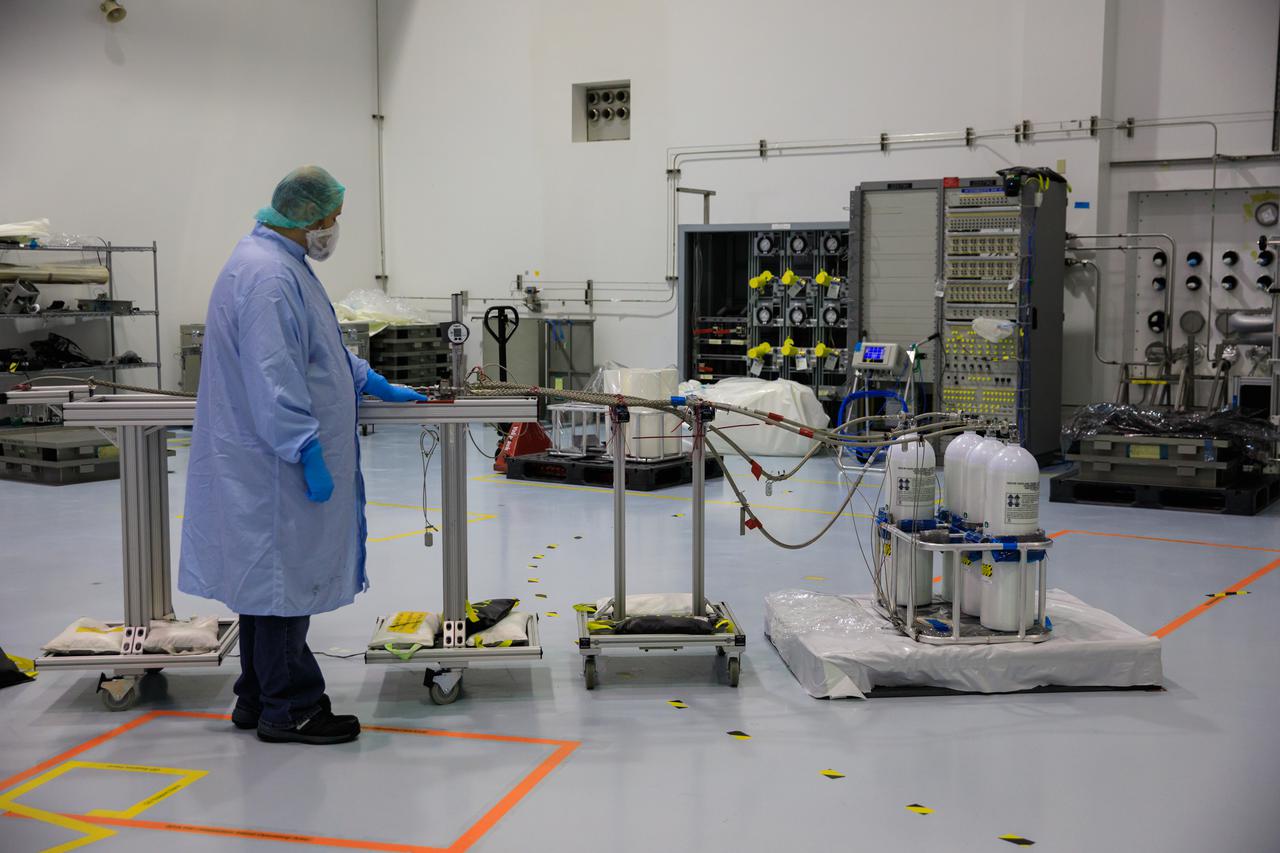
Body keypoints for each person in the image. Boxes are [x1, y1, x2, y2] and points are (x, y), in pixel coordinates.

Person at [179, 166, 426, 745]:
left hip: (269, 460)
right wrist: (305, 449)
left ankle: (256, 696)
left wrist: (367, 379)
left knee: (267, 587)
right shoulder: (267, 276)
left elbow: (316, 347)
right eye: (330, 219)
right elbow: (276, 376)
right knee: (282, 583)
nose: (333, 229)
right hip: (276, 464)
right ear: (307, 219)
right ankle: (292, 707)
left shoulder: (281, 264)